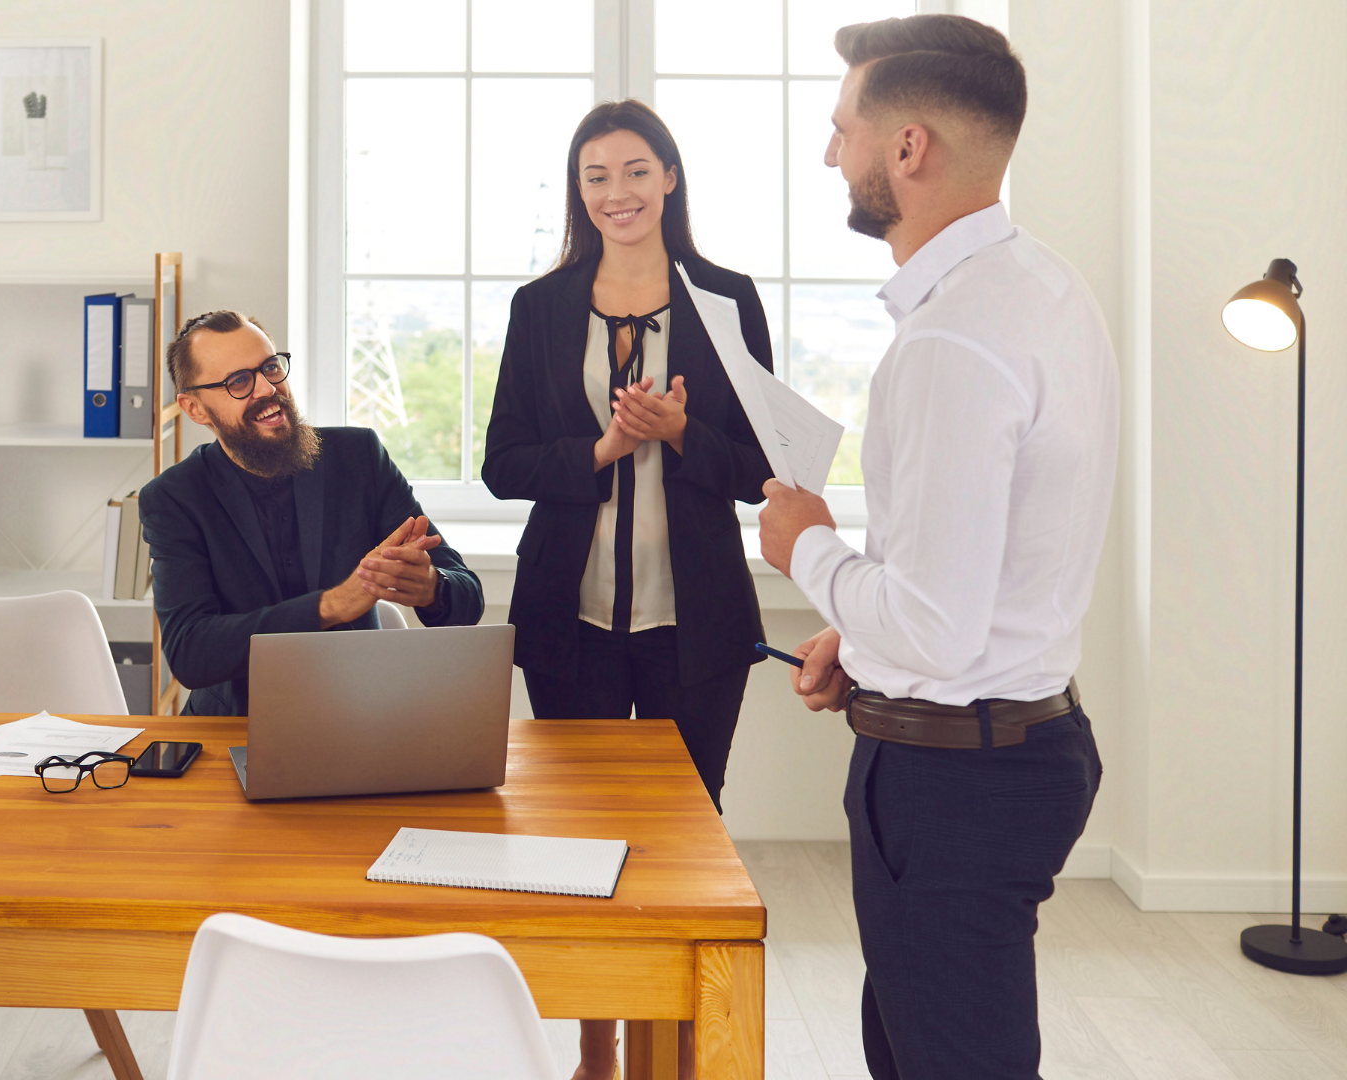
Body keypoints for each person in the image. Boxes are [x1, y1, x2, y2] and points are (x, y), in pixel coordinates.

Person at [757, 15, 1115, 1080]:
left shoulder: (953, 338)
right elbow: (970, 582)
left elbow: (940, 625)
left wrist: (806, 548)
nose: (832, 154)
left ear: (908, 148)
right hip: (1001, 749)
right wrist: (859, 650)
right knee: (915, 1045)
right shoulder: (1044, 290)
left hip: (956, 782)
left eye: (843, 130)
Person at [482, 98, 777, 1080]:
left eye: (636, 171)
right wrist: (605, 446)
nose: (618, 193)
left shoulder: (726, 300)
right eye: (596, 176)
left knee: (686, 840)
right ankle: (598, 1048)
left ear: (671, 178)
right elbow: (502, 463)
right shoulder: (542, 306)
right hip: (570, 622)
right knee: (578, 843)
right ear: (580, 191)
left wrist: (683, 435)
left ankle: (688, 1045)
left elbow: (762, 470)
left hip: (697, 620)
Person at [140, 310, 484, 716]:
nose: (268, 388)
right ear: (195, 408)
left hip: (361, 713)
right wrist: (332, 605)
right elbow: (191, 653)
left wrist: (430, 586)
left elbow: (467, 598)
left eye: (270, 367)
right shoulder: (174, 498)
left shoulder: (359, 458)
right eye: (239, 381)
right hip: (236, 722)